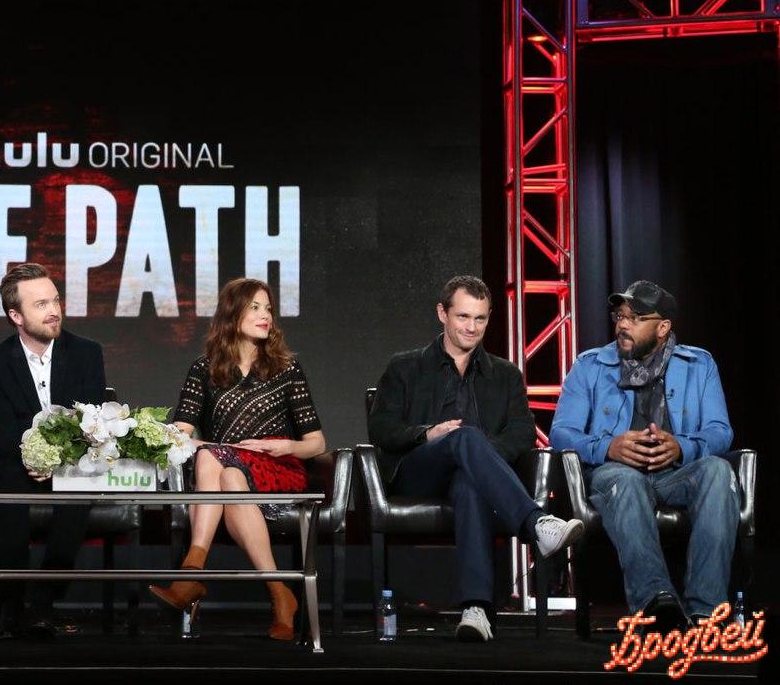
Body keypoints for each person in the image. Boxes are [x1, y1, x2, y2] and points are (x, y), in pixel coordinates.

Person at [369, 275, 583, 642]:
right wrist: (427, 434)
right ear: (443, 313)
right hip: (419, 471)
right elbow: (381, 428)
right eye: (463, 317)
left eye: (480, 318)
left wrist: (480, 459)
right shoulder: (404, 367)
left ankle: (476, 610)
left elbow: (521, 432)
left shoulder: (505, 374)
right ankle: (536, 524)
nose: (472, 327)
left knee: (470, 480)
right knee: (464, 436)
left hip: (474, 477)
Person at [550, 280, 737, 631]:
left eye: (634, 318)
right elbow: (562, 433)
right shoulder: (590, 366)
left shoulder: (699, 365)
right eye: (619, 316)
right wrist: (608, 447)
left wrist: (682, 447)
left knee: (717, 471)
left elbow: (719, 431)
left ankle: (705, 611)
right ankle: (656, 601)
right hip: (613, 473)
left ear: (662, 327)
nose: (622, 324)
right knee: (625, 479)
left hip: (675, 473)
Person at [150, 277, 325, 641]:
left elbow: (316, 443)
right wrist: (195, 441)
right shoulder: (204, 369)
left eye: (268, 309)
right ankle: (280, 593)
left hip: (277, 468)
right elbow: (181, 430)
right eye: (255, 308)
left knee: (212, 459)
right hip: (229, 472)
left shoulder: (286, 369)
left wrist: (286, 446)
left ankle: (191, 574)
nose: (265, 316)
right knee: (225, 470)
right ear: (232, 314)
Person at [0, 262, 107, 638]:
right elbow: (5, 427)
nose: (54, 311)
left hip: (72, 458)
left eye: (55, 300)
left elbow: (90, 419)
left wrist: (57, 459)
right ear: (16, 316)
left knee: (77, 488)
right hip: (18, 458)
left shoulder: (87, 353)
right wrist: (35, 458)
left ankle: (43, 602)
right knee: (8, 489)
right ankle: (10, 605)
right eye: (41, 305)